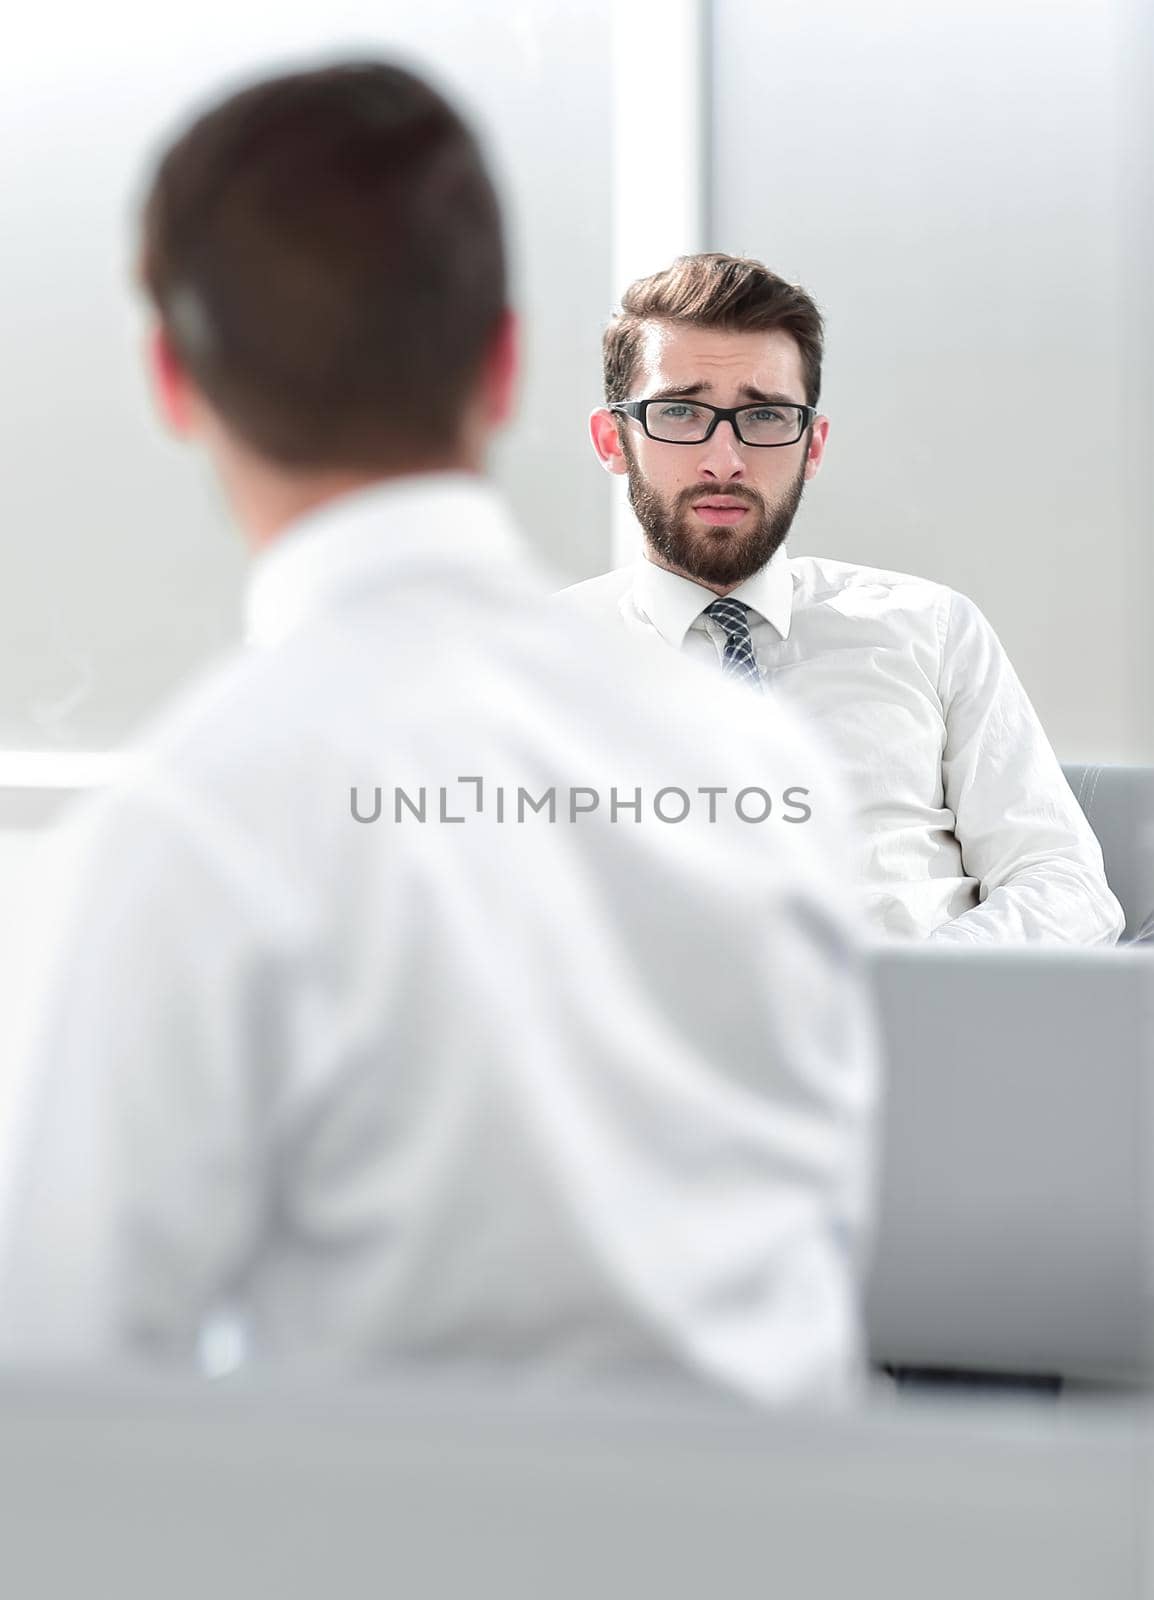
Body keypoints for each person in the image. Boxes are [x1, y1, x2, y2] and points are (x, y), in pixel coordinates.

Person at [0, 66, 877, 1406]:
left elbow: (60, 1399)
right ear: (505, 364)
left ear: (173, 382)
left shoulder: (190, 827)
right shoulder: (770, 771)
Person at [560, 254, 1123, 945]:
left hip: (928, 1028)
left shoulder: (931, 629)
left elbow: (1064, 884)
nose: (725, 460)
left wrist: (912, 986)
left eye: (764, 416)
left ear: (813, 444)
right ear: (613, 440)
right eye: (679, 411)